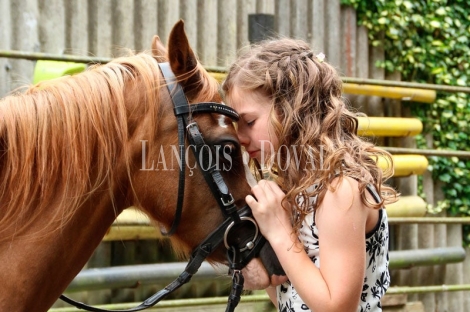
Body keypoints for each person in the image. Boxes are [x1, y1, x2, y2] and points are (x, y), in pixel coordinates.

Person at [222, 38, 398, 312]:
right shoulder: (294, 189)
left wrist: (279, 233)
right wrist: (266, 272)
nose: (240, 138)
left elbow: (337, 308)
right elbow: (292, 299)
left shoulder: (340, 189)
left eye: (249, 122)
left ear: (293, 108)